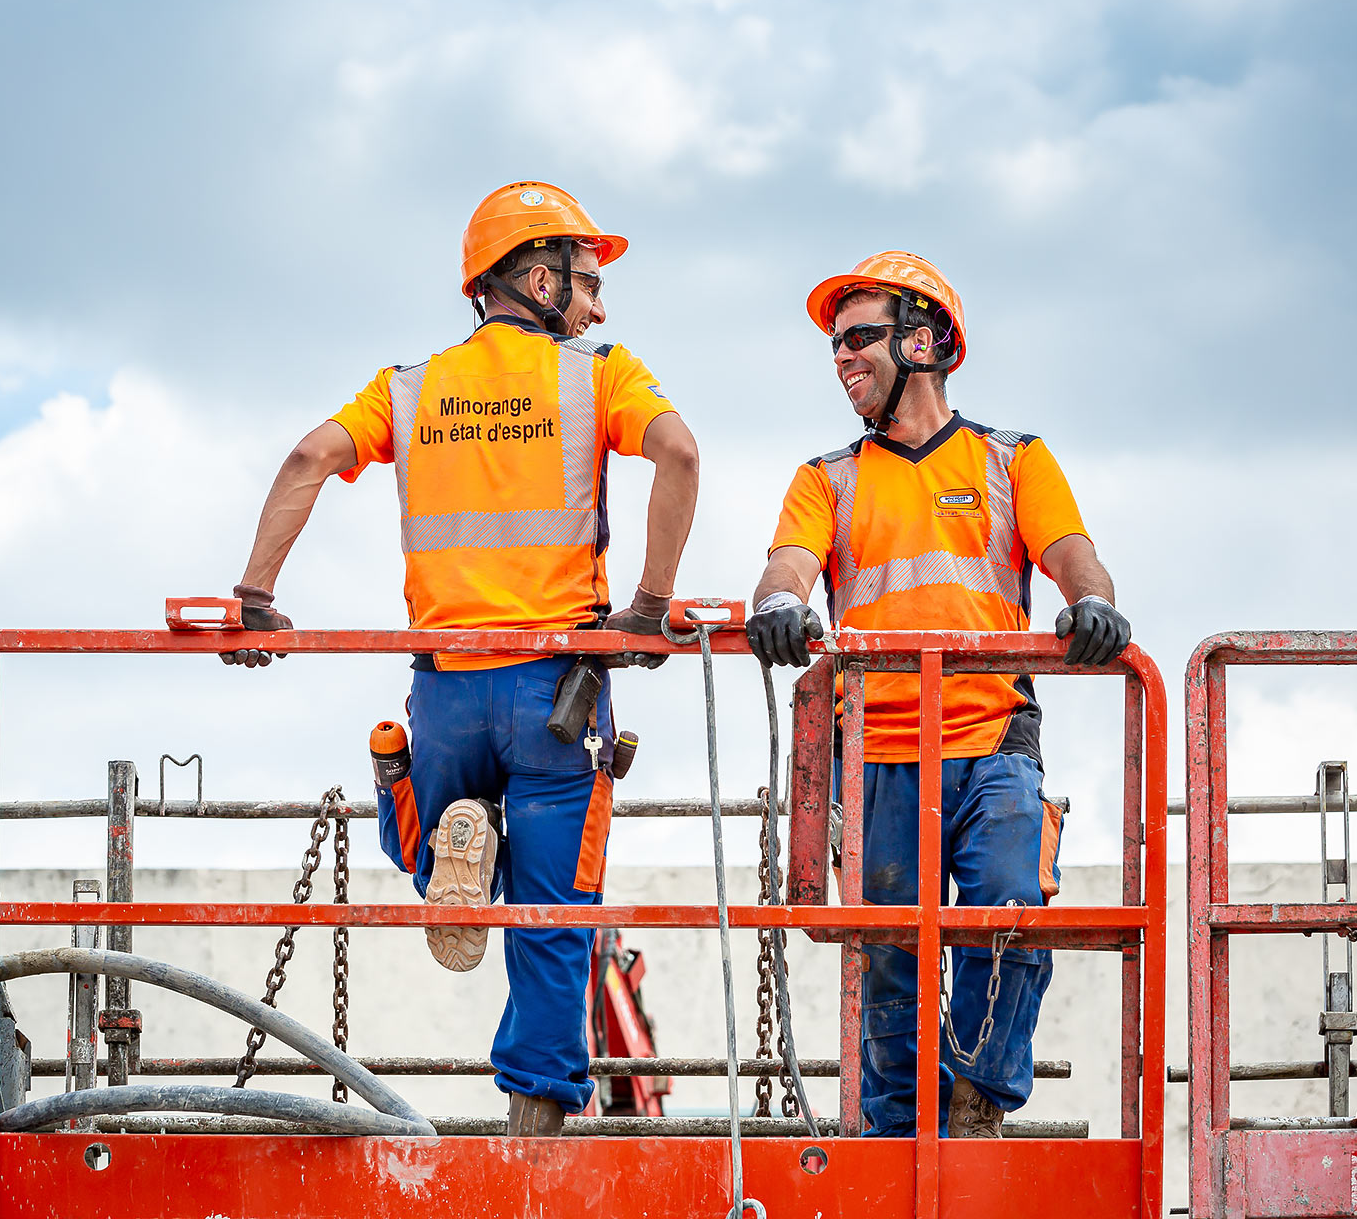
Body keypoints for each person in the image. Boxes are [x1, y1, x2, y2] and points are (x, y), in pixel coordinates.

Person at [222, 182, 701, 1135]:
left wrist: (255, 601)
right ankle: (535, 1133)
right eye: (589, 281)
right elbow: (680, 455)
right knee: (556, 919)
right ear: (537, 276)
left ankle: (450, 829)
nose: (599, 306)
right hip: (555, 692)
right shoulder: (596, 373)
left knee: (434, 854)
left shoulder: (408, 385)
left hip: (444, 689)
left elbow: (307, 459)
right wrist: (648, 607)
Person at [744, 251, 1129, 1138]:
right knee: (889, 956)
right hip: (876, 751)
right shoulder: (827, 478)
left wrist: (1094, 603)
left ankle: (975, 1104)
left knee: (1011, 912)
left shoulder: (1011, 459)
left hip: (993, 736)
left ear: (923, 341)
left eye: (859, 340)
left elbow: (1072, 551)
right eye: (835, 347)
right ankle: (892, 1139)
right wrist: (777, 606)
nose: (843, 359)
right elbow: (789, 564)